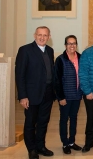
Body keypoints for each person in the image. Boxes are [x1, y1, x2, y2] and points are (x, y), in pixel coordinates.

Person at [15, 26, 55, 159]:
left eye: (45, 35)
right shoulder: (25, 50)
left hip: (47, 94)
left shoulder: (50, 50)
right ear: (34, 35)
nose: (42, 37)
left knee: (43, 122)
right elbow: (20, 75)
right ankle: (31, 149)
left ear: (49, 37)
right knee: (31, 123)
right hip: (31, 95)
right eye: (40, 35)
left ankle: (40, 146)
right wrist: (22, 96)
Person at [53, 35, 82, 154]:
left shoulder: (80, 57)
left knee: (74, 119)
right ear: (65, 45)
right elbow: (57, 80)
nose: (72, 46)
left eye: (74, 43)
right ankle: (65, 143)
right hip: (65, 96)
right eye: (69, 43)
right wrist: (61, 97)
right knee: (64, 119)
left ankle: (72, 141)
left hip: (77, 95)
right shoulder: (60, 59)